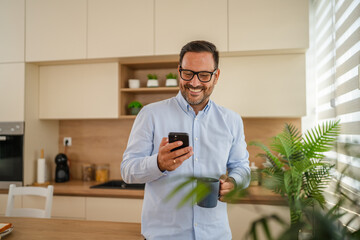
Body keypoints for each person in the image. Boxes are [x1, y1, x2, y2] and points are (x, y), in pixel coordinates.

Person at [121, 40, 250, 240]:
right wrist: (158, 163)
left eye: (204, 75)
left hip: (215, 235)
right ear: (179, 71)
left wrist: (234, 182)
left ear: (216, 76)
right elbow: (127, 170)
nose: (195, 83)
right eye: (188, 73)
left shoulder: (231, 120)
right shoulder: (150, 115)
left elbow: (242, 166)